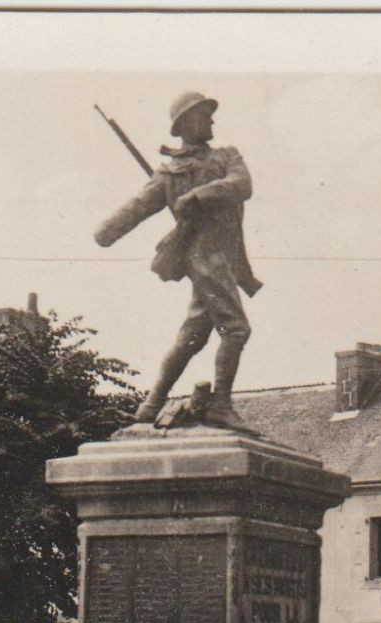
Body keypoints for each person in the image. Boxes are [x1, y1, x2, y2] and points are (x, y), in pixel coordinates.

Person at [95, 91, 262, 433]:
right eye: (204, 115)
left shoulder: (226, 157)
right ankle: (221, 405)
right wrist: (106, 231)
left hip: (224, 259)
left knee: (192, 336)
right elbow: (136, 208)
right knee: (236, 328)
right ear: (186, 123)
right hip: (204, 258)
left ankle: (151, 404)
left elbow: (242, 185)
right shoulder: (169, 174)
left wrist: (196, 194)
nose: (212, 120)